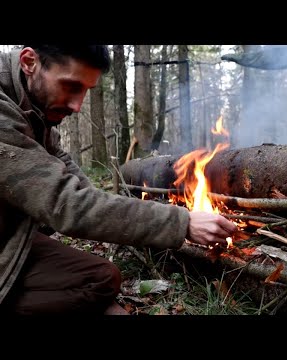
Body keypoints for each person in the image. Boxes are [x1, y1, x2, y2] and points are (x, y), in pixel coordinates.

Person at [0, 45, 237, 315]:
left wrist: (114, 211)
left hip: (9, 236)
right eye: (71, 86)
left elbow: (68, 174)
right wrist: (182, 222)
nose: (77, 106)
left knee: (103, 279)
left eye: (85, 91)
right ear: (29, 61)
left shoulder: (31, 107)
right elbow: (67, 203)